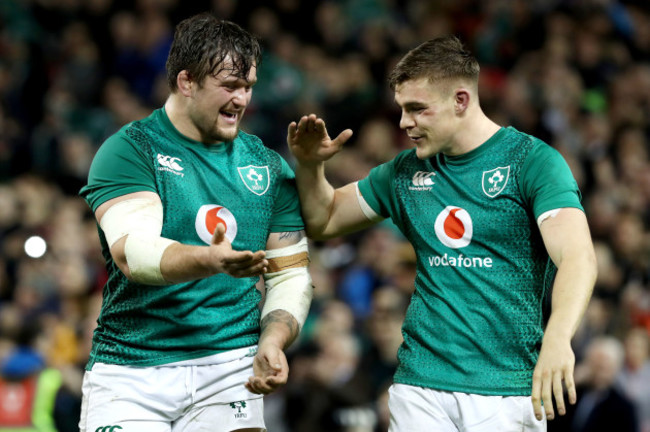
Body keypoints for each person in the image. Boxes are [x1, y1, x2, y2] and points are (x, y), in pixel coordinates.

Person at [288, 35, 597, 431]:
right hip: (420, 384)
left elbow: (578, 258)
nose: (404, 123)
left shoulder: (531, 162)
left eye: (417, 109)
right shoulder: (404, 173)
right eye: (401, 109)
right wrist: (311, 167)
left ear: (461, 100)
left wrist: (558, 340)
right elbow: (325, 220)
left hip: (506, 387)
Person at [79, 13, 313, 432]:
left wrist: (273, 340)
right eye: (229, 86)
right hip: (132, 370)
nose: (242, 99)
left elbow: (290, 273)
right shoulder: (130, 150)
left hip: (229, 368)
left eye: (248, 87)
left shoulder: (267, 166)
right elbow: (134, 253)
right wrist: (210, 260)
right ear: (186, 82)